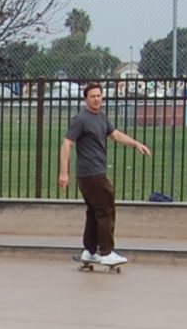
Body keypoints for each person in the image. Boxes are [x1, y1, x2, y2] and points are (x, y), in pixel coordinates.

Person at [57, 82, 152, 266]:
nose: (96, 99)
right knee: (106, 209)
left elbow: (115, 135)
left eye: (99, 96)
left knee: (94, 211)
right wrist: (63, 173)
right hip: (90, 173)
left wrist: (136, 144)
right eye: (92, 96)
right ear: (86, 99)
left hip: (96, 171)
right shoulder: (80, 119)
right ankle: (106, 252)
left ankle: (90, 251)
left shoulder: (101, 117)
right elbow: (67, 144)